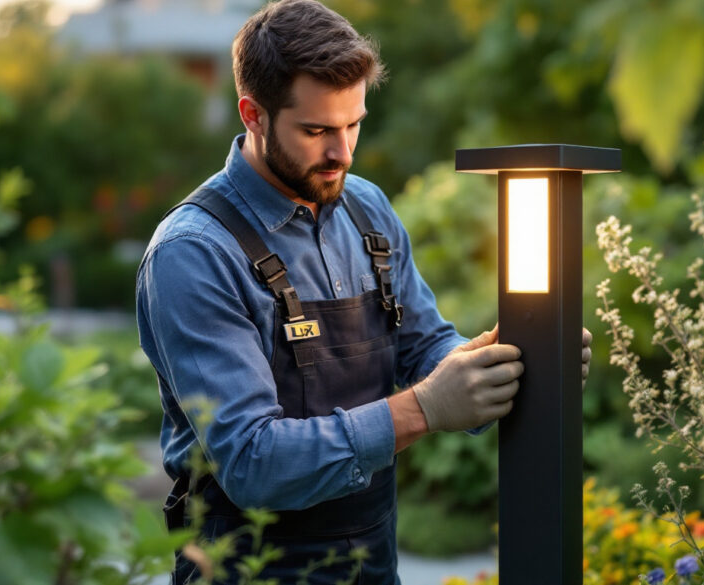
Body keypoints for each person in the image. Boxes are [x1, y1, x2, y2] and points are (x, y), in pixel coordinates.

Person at [136, 1, 592, 583]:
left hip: (372, 564)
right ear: (253, 114)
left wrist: (495, 366)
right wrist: (425, 408)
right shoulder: (195, 252)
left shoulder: (366, 209)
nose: (342, 153)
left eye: (354, 124)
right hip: (247, 570)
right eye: (317, 130)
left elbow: (424, 346)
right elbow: (252, 462)